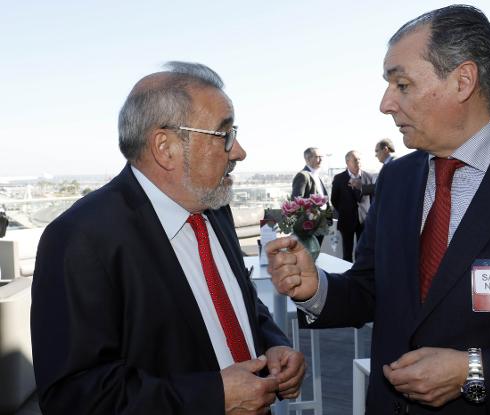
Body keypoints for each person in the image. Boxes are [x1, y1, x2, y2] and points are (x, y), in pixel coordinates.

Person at [267, 5, 490, 415]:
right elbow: (372, 289)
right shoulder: (398, 178)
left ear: (463, 81)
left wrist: (475, 371)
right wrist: (316, 289)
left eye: (401, 84)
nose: (386, 103)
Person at [31, 61, 305, 415]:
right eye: (224, 134)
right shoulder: (80, 239)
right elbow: (75, 397)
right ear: (165, 147)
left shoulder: (215, 208)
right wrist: (212, 397)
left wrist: (273, 346)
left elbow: (242, 302)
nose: (239, 151)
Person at [330, 151, 374, 262]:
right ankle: (347, 276)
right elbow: (334, 199)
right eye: (355, 160)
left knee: (363, 251)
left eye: (359, 159)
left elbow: (373, 199)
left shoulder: (368, 177)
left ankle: (360, 275)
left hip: (364, 221)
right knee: (347, 252)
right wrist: (346, 211)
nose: (358, 162)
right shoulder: (339, 178)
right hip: (346, 220)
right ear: (347, 162)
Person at [291, 147, 329, 245]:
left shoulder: (317, 175)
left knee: (317, 251)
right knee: (309, 254)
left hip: (321, 222)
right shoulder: (303, 176)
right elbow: (296, 201)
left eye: (321, 157)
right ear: (307, 159)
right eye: (317, 157)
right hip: (309, 225)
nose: (321, 159)